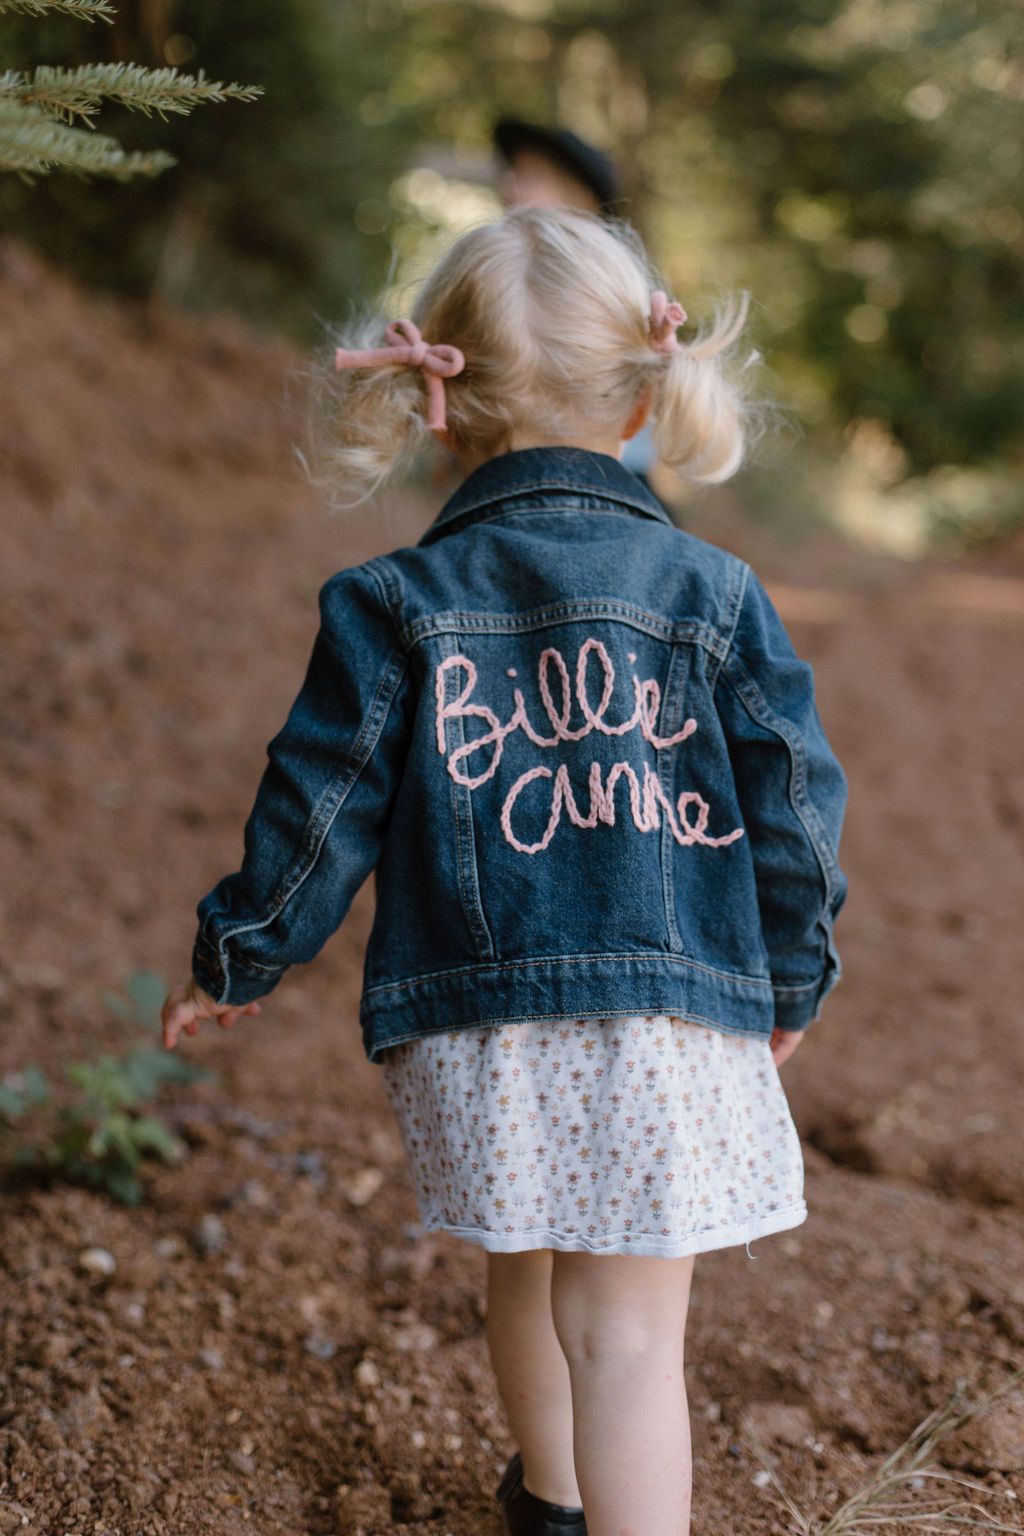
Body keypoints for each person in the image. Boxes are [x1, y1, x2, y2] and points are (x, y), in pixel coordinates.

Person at [160, 205, 848, 1536]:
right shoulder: (717, 593)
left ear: (438, 403)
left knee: (527, 1267)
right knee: (632, 1337)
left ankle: (550, 1504)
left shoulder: (394, 602)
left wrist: (240, 956)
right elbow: (796, 806)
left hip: (483, 1028)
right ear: (646, 391)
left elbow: (320, 807)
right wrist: (796, 975)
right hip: (669, 1017)